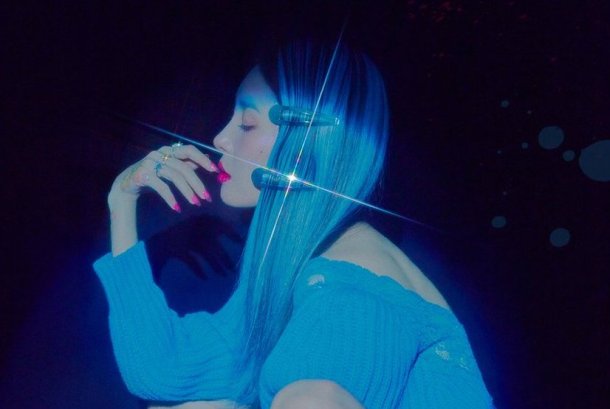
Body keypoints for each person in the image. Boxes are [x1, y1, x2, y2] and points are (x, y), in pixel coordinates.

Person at [94, 40, 495, 408]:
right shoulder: (297, 274)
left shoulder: (351, 282)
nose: (220, 138)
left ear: (306, 144)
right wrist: (122, 199)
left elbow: (316, 398)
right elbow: (162, 369)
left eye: (246, 123)